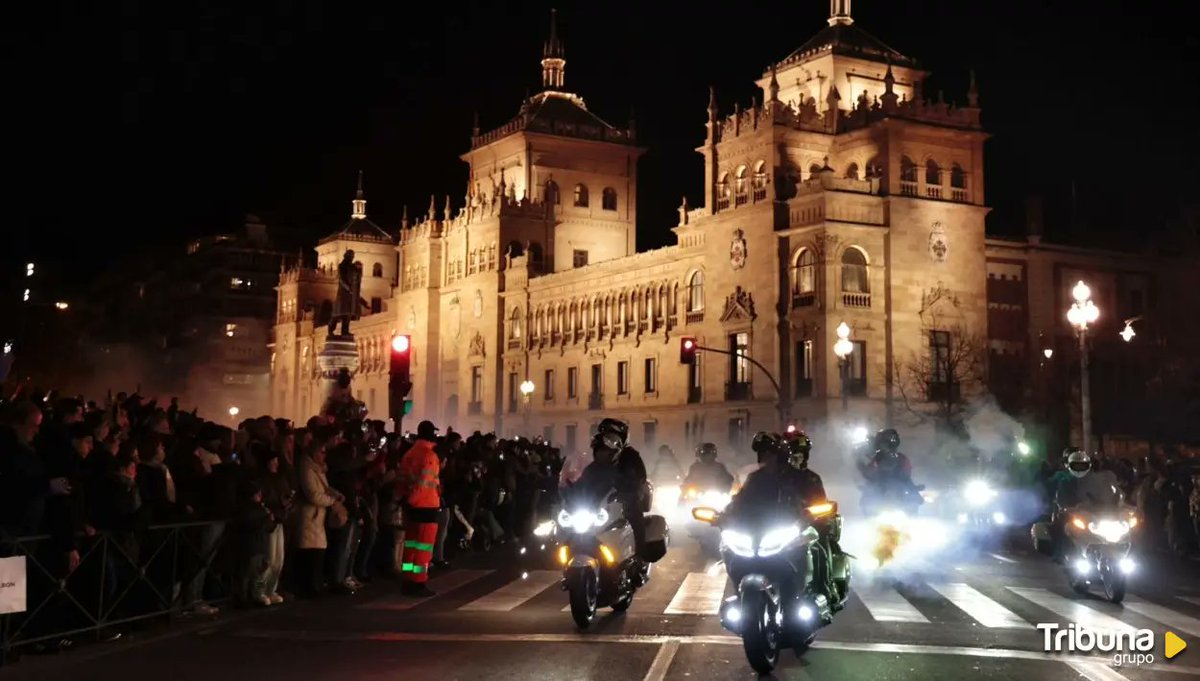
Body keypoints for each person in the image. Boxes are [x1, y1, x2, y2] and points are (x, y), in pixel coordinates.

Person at [571, 418, 650, 561]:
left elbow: (639, 477)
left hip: (623, 499)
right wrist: (568, 490)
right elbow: (582, 482)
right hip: (599, 505)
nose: (603, 452)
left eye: (611, 434)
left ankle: (640, 554)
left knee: (633, 513)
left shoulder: (630, 456)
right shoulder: (594, 467)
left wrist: (629, 489)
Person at [399, 420, 441, 597]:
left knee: (410, 545)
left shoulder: (409, 454)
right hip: (426, 505)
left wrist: (406, 500)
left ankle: (408, 578)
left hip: (411, 505)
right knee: (424, 547)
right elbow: (424, 484)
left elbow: (402, 480)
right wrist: (415, 500)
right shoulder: (429, 456)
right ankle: (419, 581)